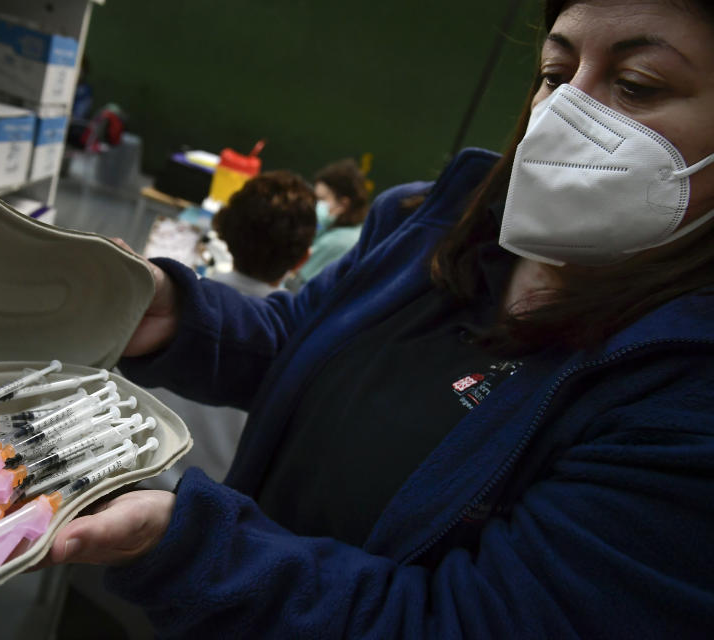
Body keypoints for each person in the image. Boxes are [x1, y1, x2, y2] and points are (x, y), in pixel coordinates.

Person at [45, 1, 714, 637]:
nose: (564, 114)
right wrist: (180, 317)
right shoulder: (434, 222)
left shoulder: (683, 398)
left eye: (635, 84)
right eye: (555, 75)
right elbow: (301, 339)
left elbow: (472, 624)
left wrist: (193, 550)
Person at [143, 170, 317, 490]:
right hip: (201, 508)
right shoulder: (302, 350)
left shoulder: (172, 306)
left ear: (225, 229)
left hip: (127, 477)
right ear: (303, 259)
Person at [294, 158, 370, 284]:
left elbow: (296, 282)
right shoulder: (352, 231)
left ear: (343, 204)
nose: (316, 204)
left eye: (321, 199)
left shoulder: (338, 241)